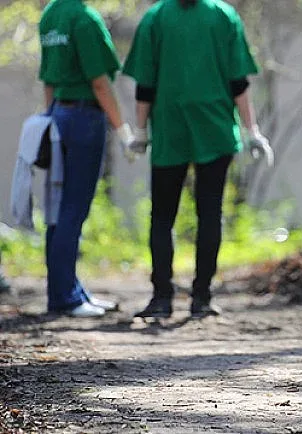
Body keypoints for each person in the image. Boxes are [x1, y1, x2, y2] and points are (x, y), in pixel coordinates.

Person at [123, 0, 273, 319]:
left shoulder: (156, 18)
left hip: (169, 129)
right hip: (214, 129)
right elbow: (238, 82)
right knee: (209, 212)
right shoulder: (223, 16)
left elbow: (145, 84)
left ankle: (162, 297)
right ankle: (201, 297)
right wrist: (251, 129)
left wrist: (140, 129)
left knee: (162, 215)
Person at [38, 0, 134, 317]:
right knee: (73, 207)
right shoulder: (84, 18)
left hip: (58, 114)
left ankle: (67, 290)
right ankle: (66, 297)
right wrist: (123, 131)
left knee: (58, 205)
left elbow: (49, 80)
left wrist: (49, 118)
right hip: (83, 118)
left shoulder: (51, 13)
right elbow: (99, 82)